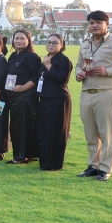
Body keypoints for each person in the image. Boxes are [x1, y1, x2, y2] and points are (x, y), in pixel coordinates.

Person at [75, 11, 112, 181]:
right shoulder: (85, 44)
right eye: (91, 23)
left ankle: (105, 169)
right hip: (86, 93)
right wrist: (78, 73)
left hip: (106, 94)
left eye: (98, 22)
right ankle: (93, 166)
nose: (94, 25)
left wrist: (107, 71)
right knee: (90, 134)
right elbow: (79, 64)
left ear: (107, 24)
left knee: (107, 134)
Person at [0, 29, 41, 164]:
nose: (19, 41)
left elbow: (36, 77)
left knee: (23, 128)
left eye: (22, 38)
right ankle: (29, 155)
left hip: (25, 98)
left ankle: (20, 156)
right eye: (16, 38)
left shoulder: (32, 57)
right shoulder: (13, 56)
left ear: (28, 41)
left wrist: (24, 87)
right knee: (18, 127)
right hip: (13, 97)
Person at [36, 34, 73, 171]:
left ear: (61, 45)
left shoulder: (63, 60)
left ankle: (54, 164)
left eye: (54, 43)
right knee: (44, 130)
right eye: (49, 42)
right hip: (45, 98)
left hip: (58, 99)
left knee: (56, 132)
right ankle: (45, 162)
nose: (51, 45)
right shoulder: (47, 58)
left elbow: (62, 79)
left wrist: (49, 66)